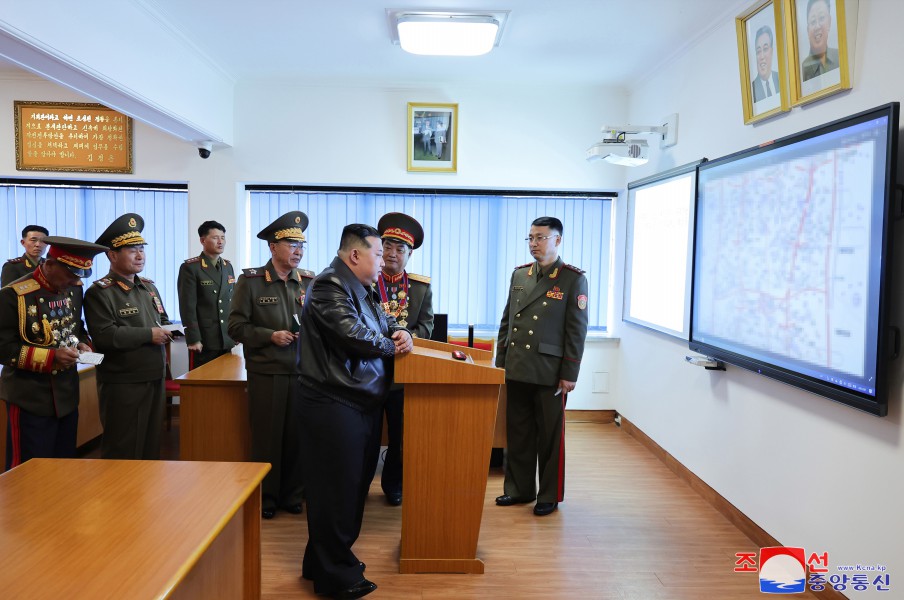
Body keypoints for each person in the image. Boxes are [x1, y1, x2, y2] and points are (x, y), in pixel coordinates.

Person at [297, 224, 413, 600]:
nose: (383, 261)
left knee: (347, 490)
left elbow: (382, 321)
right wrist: (392, 346)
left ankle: (319, 563)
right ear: (355, 255)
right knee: (337, 492)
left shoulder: (361, 287)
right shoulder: (330, 285)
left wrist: (402, 332)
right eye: (378, 254)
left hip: (357, 403)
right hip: (334, 403)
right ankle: (336, 577)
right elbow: (353, 334)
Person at [494, 216, 589, 517]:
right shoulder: (519, 275)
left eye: (540, 238)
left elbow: (576, 331)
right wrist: (501, 363)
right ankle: (519, 489)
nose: (534, 243)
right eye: (531, 238)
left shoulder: (572, 279)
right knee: (518, 433)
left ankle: (549, 494)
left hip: (550, 371)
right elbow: (507, 321)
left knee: (550, 437)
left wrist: (569, 373)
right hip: (518, 366)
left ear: (557, 240)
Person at [227, 211, 314, 520]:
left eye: (301, 245)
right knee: (267, 438)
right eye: (292, 244)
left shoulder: (309, 282)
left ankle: (293, 494)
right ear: (273, 246)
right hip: (267, 372)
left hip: (302, 373)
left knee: (296, 437)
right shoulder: (251, 282)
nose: (298, 251)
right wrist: (269, 336)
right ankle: (267, 496)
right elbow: (235, 327)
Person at [0, 236, 107, 470]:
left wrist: (82, 344)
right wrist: (51, 357)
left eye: (80, 276)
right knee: (29, 470)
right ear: (49, 265)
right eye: (71, 274)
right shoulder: (14, 294)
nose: (75, 281)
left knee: (62, 467)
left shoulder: (72, 289)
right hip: (30, 396)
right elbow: (4, 348)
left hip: (67, 395)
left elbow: (75, 327)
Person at [83, 213, 174, 460]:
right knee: (123, 447)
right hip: (123, 381)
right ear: (112, 255)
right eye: (132, 250)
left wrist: (169, 331)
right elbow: (104, 336)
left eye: (142, 249)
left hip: (154, 375)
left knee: (150, 445)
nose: (140, 255)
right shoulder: (100, 292)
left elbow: (162, 320)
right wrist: (149, 335)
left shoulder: (148, 287)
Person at [370, 212, 433, 506]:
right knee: (367, 434)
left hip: (403, 373)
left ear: (409, 254)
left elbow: (427, 327)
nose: (392, 254)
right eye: (387, 247)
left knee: (400, 436)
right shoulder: (366, 282)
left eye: (399, 249)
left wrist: (406, 338)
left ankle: (393, 484)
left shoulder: (420, 287)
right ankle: (360, 484)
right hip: (369, 372)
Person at [177, 220, 236, 369]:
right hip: (205, 339)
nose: (220, 242)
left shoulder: (227, 266)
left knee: (227, 378)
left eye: (223, 238)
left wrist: (236, 332)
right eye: (215, 238)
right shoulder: (191, 268)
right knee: (204, 380)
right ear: (203, 240)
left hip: (226, 338)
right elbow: (187, 306)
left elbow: (232, 302)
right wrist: (193, 338)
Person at [801, 0, 839, 82]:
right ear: (808, 30)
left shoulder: (839, 56)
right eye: (813, 21)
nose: (817, 26)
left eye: (821, 18)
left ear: (829, 22)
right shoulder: (803, 68)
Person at [751, 25, 780, 102]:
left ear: (771, 51)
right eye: (758, 51)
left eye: (765, 49)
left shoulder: (781, 79)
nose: (762, 56)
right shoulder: (751, 89)